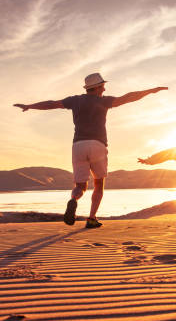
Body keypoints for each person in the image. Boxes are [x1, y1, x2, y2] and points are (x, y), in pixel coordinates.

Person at [14, 73, 167, 228]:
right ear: (98, 87)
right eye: (103, 85)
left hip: (78, 146)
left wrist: (30, 106)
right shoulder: (104, 101)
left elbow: (51, 104)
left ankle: (74, 199)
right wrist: (150, 91)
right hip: (98, 145)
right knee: (99, 184)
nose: (105, 88)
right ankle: (91, 218)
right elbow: (128, 97)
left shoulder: (75, 100)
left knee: (80, 186)